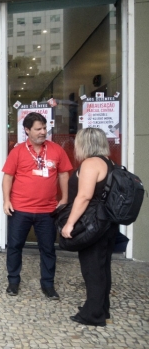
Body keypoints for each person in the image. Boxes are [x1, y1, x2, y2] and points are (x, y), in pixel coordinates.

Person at [2, 112, 72, 299]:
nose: (43, 132)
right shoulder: (17, 151)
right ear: (27, 130)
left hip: (48, 211)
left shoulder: (56, 150)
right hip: (20, 209)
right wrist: (6, 200)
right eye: (38, 129)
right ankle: (13, 282)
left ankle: (48, 285)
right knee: (15, 246)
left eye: (44, 128)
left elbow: (64, 174)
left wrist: (64, 199)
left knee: (48, 249)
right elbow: (8, 177)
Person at [60, 128, 118, 327]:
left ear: (84, 144)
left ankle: (93, 315)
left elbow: (84, 196)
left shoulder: (91, 163)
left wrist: (69, 223)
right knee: (102, 268)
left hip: (94, 225)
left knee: (92, 269)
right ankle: (102, 308)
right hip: (107, 224)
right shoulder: (109, 162)